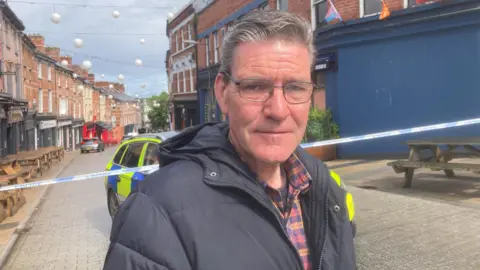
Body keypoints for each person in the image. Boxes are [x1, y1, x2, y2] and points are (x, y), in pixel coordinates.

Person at [103, 9, 356, 270]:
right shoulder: (155, 213)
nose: (279, 110)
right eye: (255, 87)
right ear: (223, 93)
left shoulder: (325, 189)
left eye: (295, 87)